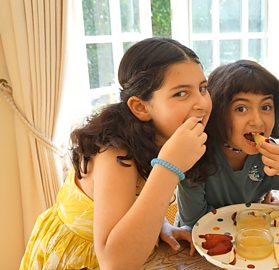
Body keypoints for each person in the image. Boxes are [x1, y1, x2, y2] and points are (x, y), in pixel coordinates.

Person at [20, 37, 212, 270]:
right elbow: (114, 263)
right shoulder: (115, 155)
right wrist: (169, 166)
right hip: (80, 259)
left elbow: (133, 200)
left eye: (202, 88)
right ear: (140, 107)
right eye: (181, 94)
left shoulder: (159, 136)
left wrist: (159, 224)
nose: (201, 103)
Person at [176, 59, 279, 228]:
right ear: (218, 112)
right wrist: (256, 214)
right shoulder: (196, 154)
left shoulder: (271, 157)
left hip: (251, 244)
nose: (258, 121)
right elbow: (193, 221)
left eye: (266, 107)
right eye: (241, 109)